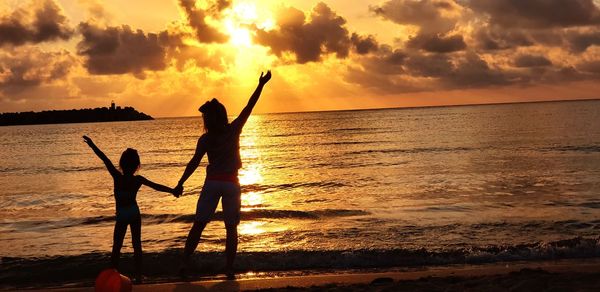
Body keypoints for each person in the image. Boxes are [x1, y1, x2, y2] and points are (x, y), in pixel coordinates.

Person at [174, 70, 272, 279]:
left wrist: (180, 182)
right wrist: (261, 85)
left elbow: (193, 163)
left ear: (212, 117)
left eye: (206, 116)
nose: (204, 119)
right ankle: (228, 268)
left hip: (212, 184)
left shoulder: (206, 139)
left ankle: (184, 264)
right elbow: (249, 107)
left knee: (199, 225)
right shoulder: (233, 129)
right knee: (230, 228)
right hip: (230, 184)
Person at [83, 135, 177, 283]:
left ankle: (112, 275)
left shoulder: (117, 176)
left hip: (122, 215)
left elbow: (104, 158)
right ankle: (138, 274)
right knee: (137, 245)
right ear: (137, 165)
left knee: (117, 247)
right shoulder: (138, 180)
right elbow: (157, 187)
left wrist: (92, 144)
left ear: (121, 163)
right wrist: (173, 191)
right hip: (133, 213)